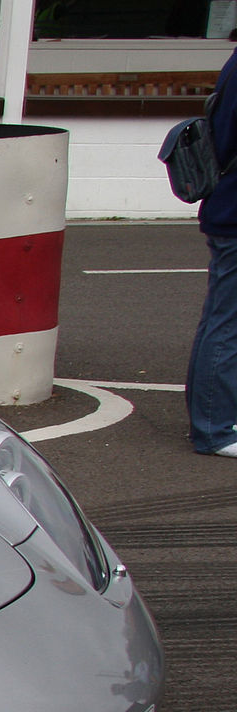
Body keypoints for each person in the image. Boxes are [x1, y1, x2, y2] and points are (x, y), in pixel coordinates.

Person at [187, 45, 237, 457]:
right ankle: (214, 428)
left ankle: (215, 420)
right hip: (234, 210)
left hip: (228, 207)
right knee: (226, 323)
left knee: (222, 320)